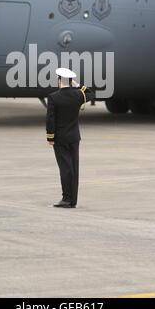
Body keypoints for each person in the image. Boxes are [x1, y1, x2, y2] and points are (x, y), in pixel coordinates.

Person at [46, 68, 95, 208]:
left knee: (65, 168)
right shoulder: (78, 95)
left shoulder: (53, 97)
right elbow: (91, 94)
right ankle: (73, 200)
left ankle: (66, 199)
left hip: (60, 138)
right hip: (74, 137)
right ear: (70, 81)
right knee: (74, 168)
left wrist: (50, 137)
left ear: (59, 81)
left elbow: (50, 119)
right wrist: (78, 85)